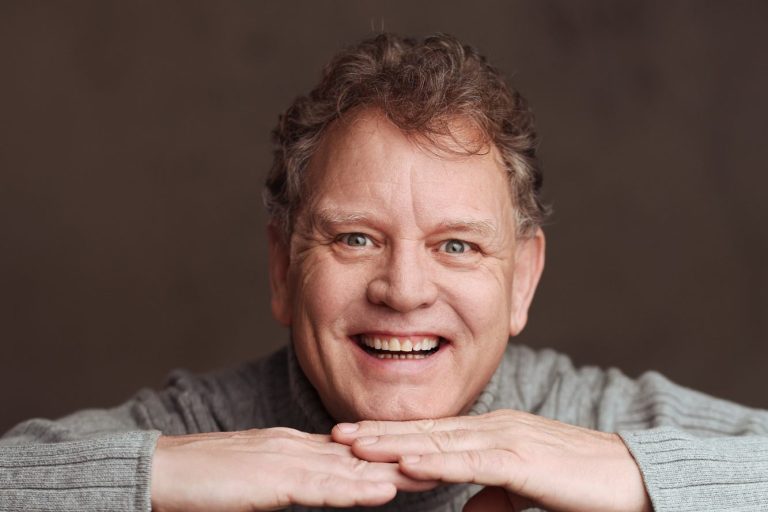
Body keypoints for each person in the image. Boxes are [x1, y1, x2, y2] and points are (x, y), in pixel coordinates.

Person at [2, 32, 768, 512]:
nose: (403, 290)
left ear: (522, 280)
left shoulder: (593, 418)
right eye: (356, 238)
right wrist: (161, 478)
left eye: (457, 246)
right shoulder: (202, 429)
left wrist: (635, 475)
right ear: (282, 267)